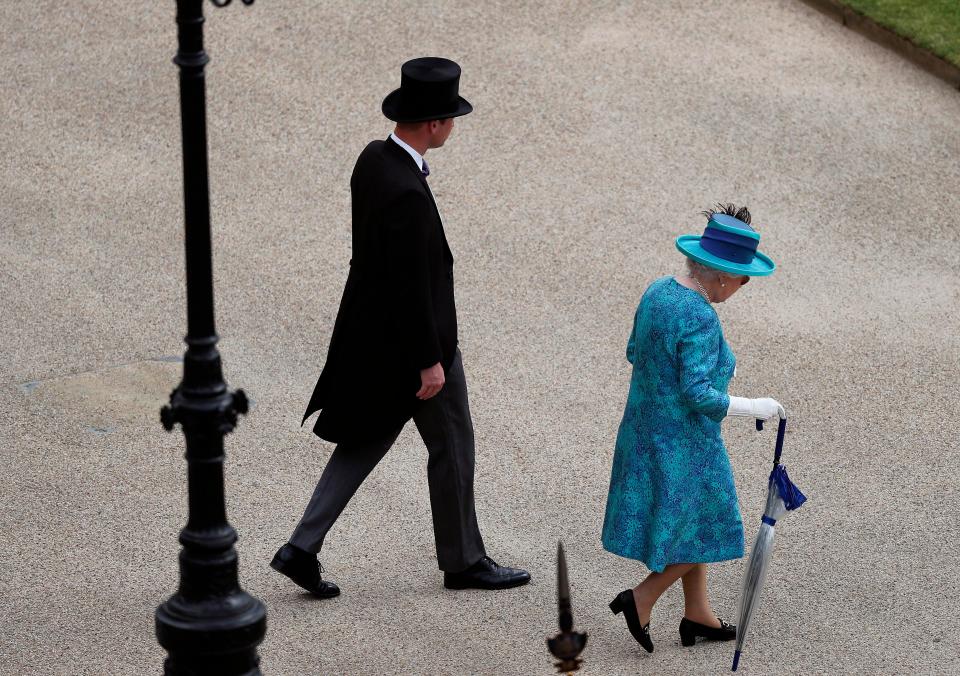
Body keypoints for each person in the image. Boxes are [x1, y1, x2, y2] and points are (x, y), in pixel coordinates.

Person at [271, 57, 530, 598]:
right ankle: (464, 562)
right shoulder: (409, 194)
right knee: (453, 442)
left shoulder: (373, 160)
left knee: (365, 440)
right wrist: (429, 360)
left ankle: (301, 548)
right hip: (418, 347)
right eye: (452, 117)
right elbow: (411, 283)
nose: (454, 126)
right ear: (434, 124)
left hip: (375, 341)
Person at [601, 204, 784, 652]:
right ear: (722, 276)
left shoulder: (657, 292)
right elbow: (698, 394)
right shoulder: (701, 316)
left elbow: (633, 352)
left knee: (692, 523)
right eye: (743, 279)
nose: (743, 287)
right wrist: (755, 406)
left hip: (643, 431)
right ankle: (641, 598)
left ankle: (697, 614)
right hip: (686, 443)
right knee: (710, 523)